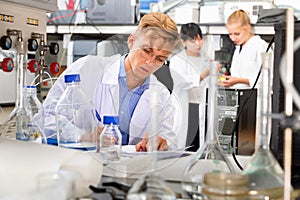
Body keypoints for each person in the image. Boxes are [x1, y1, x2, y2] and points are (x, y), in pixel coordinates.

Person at [43, 12, 181, 151]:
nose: (150, 62)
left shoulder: (162, 96)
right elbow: (45, 118)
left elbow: (169, 140)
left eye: (159, 59)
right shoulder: (87, 69)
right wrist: (82, 136)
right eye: (146, 50)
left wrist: (162, 143)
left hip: (133, 169)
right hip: (82, 163)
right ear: (132, 41)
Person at [169, 23, 211, 150]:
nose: (198, 43)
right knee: (185, 145)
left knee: (200, 145)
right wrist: (204, 75)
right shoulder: (177, 60)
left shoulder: (206, 60)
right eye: (193, 40)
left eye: (200, 39)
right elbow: (181, 82)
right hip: (186, 108)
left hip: (202, 107)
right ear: (183, 42)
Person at [222, 9, 269, 88]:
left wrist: (240, 81)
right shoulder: (238, 48)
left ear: (248, 28)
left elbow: (269, 79)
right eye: (230, 34)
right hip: (239, 97)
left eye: (237, 34)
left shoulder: (260, 46)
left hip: (256, 98)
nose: (233, 38)